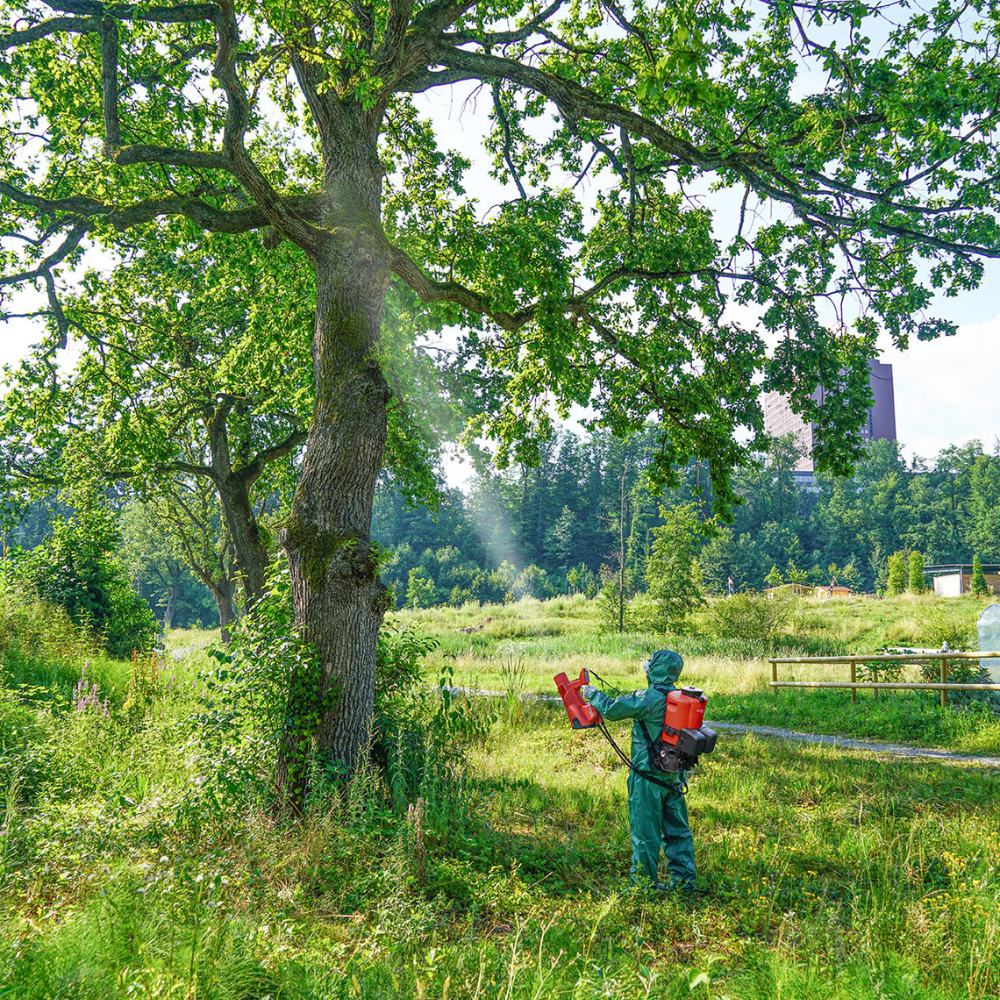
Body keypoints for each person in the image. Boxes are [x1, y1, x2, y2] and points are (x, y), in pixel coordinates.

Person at [580, 649, 697, 894]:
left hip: (647, 778)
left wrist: (593, 694)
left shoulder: (648, 698)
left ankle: (643, 889)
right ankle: (685, 884)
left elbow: (612, 710)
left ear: (656, 669)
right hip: (674, 777)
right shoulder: (680, 697)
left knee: (646, 833)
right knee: (678, 832)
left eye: (651, 663)